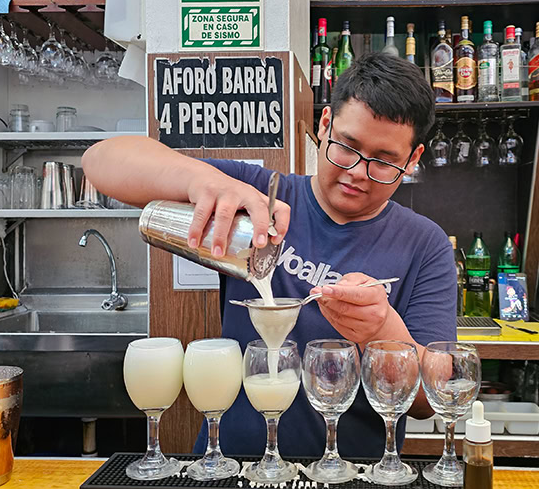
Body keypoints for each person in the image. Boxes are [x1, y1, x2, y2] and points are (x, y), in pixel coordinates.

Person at [83, 53, 456, 458]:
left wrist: (382, 329)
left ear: (413, 159)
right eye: (347, 148)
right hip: (233, 466)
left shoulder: (424, 244)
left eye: (384, 161)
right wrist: (203, 181)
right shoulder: (263, 196)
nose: (357, 172)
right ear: (325, 124)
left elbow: (427, 403)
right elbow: (101, 162)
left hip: (356, 478)